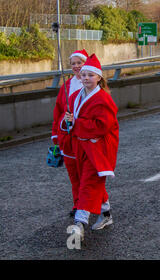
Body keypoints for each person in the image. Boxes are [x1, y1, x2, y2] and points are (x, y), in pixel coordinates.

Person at [61, 54, 119, 241]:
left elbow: (102, 126)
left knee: (87, 183)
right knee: (94, 182)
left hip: (98, 148)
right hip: (81, 146)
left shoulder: (104, 99)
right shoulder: (76, 96)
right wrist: (67, 122)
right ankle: (106, 215)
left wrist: (77, 124)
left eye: (90, 75)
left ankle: (79, 223)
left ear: (99, 78)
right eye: (83, 75)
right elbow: (69, 119)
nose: (86, 78)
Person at [51, 49, 88, 217]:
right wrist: (56, 134)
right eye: (73, 63)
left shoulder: (91, 83)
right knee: (74, 175)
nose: (76, 66)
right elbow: (58, 111)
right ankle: (78, 204)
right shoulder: (66, 86)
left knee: (89, 175)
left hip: (85, 139)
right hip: (68, 139)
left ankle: (99, 204)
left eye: (79, 62)